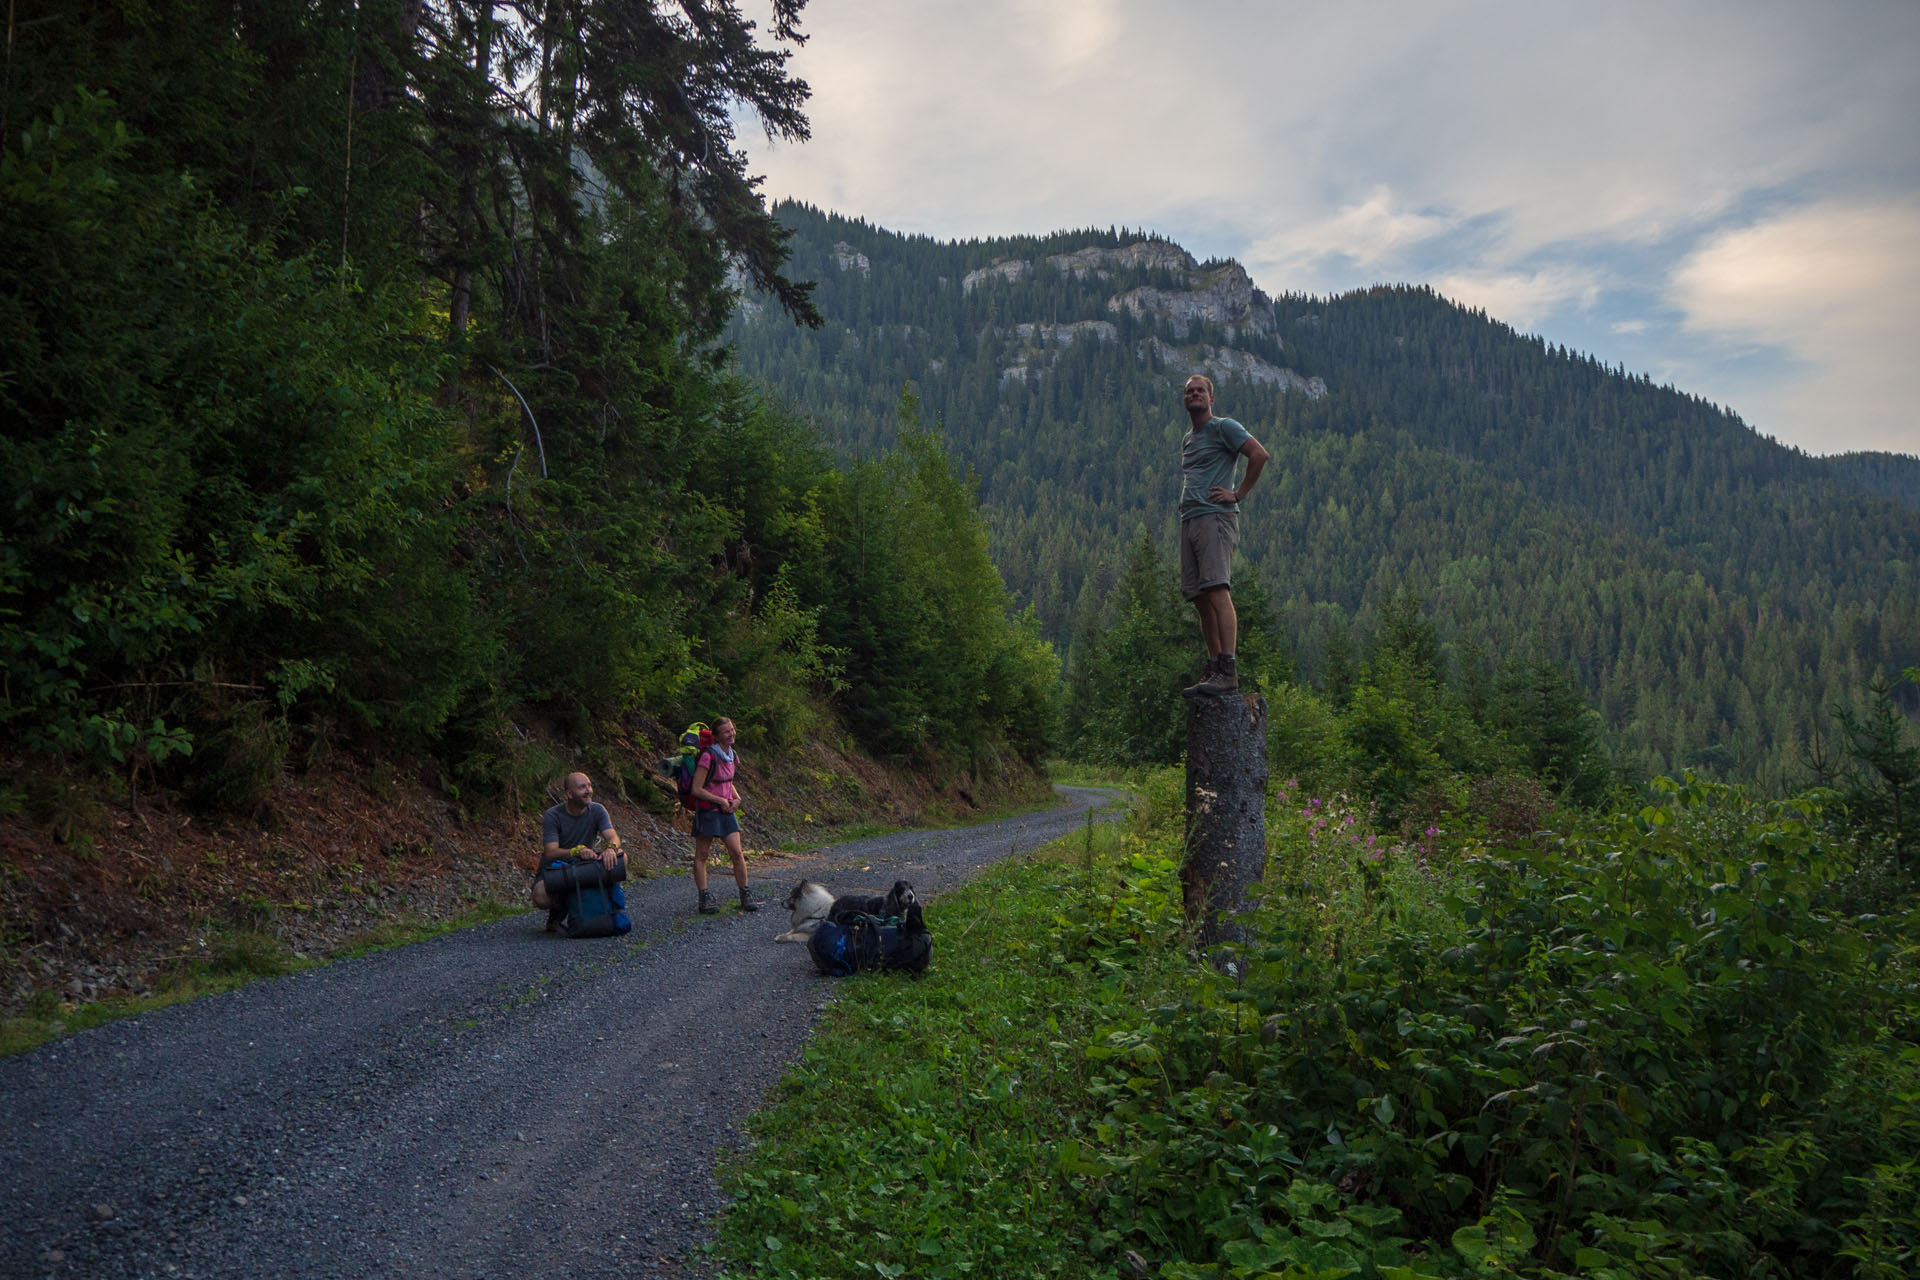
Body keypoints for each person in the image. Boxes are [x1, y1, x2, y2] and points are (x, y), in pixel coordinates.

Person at [1176, 374, 1270, 696]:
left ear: (1211, 399)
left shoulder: (1223, 427)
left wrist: (1238, 493)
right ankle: (1214, 666)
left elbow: (1259, 454)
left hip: (1215, 519)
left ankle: (1228, 669)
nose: (1195, 395)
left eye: (1200, 390)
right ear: (1185, 400)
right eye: (1189, 392)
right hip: (1191, 520)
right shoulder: (1189, 439)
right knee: (1199, 597)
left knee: (1217, 590)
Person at [533, 771, 622, 932]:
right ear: (569, 793)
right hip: (558, 868)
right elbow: (550, 852)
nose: (589, 790)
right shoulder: (553, 815)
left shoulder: (597, 810)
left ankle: (605, 906)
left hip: (585, 867)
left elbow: (613, 836)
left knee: (622, 856)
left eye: (589, 785)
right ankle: (559, 911)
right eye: (582, 787)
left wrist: (611, 849)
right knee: (540, 895)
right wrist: (576, 851)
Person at [689, 717, 759, 914]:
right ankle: (704, 897)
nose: (732, 733)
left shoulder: (732, 755)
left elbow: (728, 782)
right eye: (727, 731)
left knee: (737, 853)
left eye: (733, 729)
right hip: (709, 810)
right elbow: (696, 788)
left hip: (726, 810)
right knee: (702, 855)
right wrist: (720, 800)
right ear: (717, 736)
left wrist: (737, 799)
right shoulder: (708, 756)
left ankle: (745, 893)